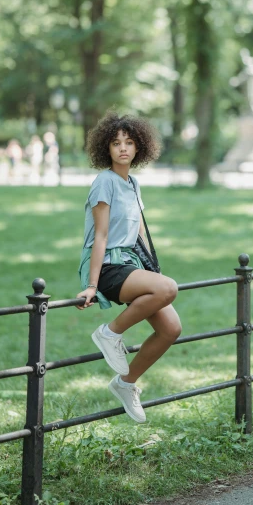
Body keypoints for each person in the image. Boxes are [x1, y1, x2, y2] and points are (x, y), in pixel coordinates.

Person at [76, 111, 181, 423]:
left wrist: (151, 272)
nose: (123, 148)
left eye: (129, 142)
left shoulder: (133, 184)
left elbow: (137, 234)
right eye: (116, 143)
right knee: (169, 288)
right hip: (108, 267)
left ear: (139, 148)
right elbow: (101, 236)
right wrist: (92, 286)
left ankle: (126, 382)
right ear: (105, 149)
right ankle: (109, 334)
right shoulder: (104, 183)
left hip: (132, 266)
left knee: (171, 329)